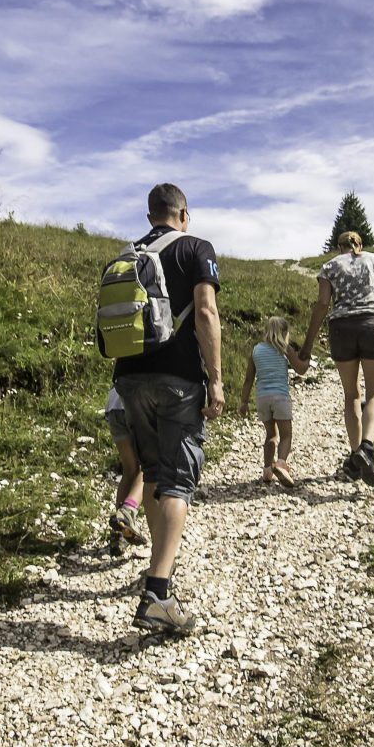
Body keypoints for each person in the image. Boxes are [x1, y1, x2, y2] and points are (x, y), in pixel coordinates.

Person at [113, 183, 224, 636]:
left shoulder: (127, 253)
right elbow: (205, 312)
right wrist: (215, 377)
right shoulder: (197, 247)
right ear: (183, 213)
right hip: (178, 380)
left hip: (129, 378)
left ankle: (158, 572)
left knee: (155, 475)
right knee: (178, 481)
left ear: (150, 216)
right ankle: (158, 593)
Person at [300, 230, 374, 485]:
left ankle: (356, 458)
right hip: (373, 325)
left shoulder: (329, 267)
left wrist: (308, 344)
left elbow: (322, 304)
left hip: (341, 329)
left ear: (338, 246)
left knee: (351, 395)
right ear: (360, 244)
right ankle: (367, 448)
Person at [236, 316, 309, 488]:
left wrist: (244, 402)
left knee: (271, 435)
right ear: (284, 332)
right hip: (280, 397)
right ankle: (281, 464)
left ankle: (267, 470)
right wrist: (306, 360)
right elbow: (301, 369)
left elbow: (248, 379)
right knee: (286, 434)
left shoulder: (256, 350)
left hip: (262, 398)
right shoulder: (285, 349)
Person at [102, 385, 146, 545]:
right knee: (150, 467)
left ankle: (119, 535)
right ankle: (129, 510)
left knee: (130, 470)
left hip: (114, 404)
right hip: (139, 402)